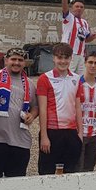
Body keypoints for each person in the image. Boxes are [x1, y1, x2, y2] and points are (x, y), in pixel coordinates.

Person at [0, 47, 38, 178]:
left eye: (20, 60)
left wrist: (32, 115)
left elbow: (35, 106)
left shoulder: (30, 84)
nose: (17, 63)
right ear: (6, 60)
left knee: (16, 183)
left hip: (20, 141)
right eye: (13, 59)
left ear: (25, 63)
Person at [36, 42, 82, 175]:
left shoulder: (76, 78)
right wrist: (44, 136)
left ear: (71, 58)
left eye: (66, 58)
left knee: (71, 172)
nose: (63, 61)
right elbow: (42, 109)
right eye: (59, 57)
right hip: (52, 131)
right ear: (53, 58)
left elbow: (77, 107)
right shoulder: (45, 78)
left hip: (71, 131)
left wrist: (80, 133)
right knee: (47, 172)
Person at [77, 52, 96, 172]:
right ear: (85, 63)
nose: (93, 65)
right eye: (90, 62)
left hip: (95, 132)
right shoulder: (76, 83)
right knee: (77, 167)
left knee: (89, 168)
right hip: (78, 132)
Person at [60, 0, 96, 74]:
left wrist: (93, 36)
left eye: (81, 7)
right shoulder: (69, 18)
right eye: (77, 6)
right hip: (69, 53)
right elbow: (64, 7)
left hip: (81, 55)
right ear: (72, 8)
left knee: (80, 78)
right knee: (67, 76)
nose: (79, 8)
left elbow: (85, 39)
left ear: (83, 9)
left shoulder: (84, 22)